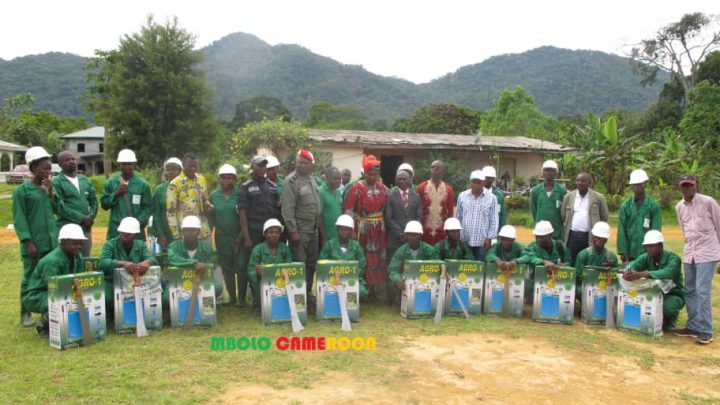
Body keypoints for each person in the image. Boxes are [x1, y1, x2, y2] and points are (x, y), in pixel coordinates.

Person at [12, 146, 58, 327]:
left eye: (50, 168)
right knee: (30, 278)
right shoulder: (22, 191)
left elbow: (57, 209)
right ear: (33, 168)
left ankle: (47, 310)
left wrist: (51, 192)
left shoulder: (47, 188)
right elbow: (19, 219)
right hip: (33, 245)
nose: (48, 171)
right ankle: (25, 313)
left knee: (48, 278)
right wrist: (28, 242)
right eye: (45, 168)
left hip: (51, 244)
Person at [673, 174, 720, 344]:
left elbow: (719, 226)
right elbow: (684, 231)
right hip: (690, 253)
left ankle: (706, 330)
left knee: (702, 291)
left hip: (707, 253)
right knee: (690, 290)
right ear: (680, 187)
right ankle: (693, 326)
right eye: (684, 186)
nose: (688, 188)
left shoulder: (708, 202)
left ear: (696, 186)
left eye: (690, 185)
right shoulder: (679, 207)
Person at [23, 224, 86, 337]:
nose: (79, 246)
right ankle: (43, 324)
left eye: (80, 243)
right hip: (39, 295)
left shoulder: (77, 256)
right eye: (74, 243)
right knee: (59, 301)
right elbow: (54, 288)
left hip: (64, 290)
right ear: (63, 242)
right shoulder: (52, 261)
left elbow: (80, 277)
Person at [343, 154, 389, 301]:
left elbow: (388, 209)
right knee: (364, 258)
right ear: (364, 173)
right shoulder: (356, 188)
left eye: (375, 174)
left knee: (378, 259)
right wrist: (350, 230)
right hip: (362, 230)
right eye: (370, 174)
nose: (373, 177)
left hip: (379, 230)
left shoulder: (383, 188)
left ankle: (375, 291)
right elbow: (348, 211)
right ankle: (362, 288)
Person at [239, 156, 281, 309]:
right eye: (259, 166)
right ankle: (257, 299)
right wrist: (246, 237)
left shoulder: (271, 185)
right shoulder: (246, 186)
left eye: (264, 166)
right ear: (252, 166)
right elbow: (242, 213)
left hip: (272, 232)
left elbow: (277, 209)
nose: (262, 169)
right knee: (255, 267)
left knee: (270, 263)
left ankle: (272, 294)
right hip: (254, 231)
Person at [623, 230, 685, 333]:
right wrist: (628, 271)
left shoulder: (673, 259)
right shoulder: (647, 257)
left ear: (660, 245)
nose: (649, 248)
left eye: (652, 246)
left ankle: (669, 321)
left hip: (672, 294)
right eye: (647, 246)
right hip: (654, 292)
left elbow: (667, 273)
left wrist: (643, 274)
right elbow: (633, 264)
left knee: (667, 307)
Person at [281, 149, 322, 295]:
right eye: (299, 162)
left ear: (311, 165)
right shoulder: (290, 181)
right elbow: (287, 209)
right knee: (300, 263)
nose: (301, 165)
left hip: (314, 229)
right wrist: (293, 231)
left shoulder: (312, 179)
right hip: (300, 230)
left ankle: (308, 291)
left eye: (305, 163)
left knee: (312, 263)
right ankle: (298, 293)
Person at [98, 217, 158, 312]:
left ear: (135, 234)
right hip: (112, 281)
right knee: (107, 298)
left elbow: (152, 259)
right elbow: (103, 262)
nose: (124, 236)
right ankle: (111, 315)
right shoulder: (110, 244)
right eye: (122, 233)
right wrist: (121, 263)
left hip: (135, 281)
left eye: (128, 234)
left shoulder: (140, 245)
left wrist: (146, 263)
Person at [208, 164, 243, 307]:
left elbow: (244, 217)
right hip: (222, 238)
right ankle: (232, 298)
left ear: (234, 179)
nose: (226, 181)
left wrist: (240, 237)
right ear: (219, 179)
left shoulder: (240, 194)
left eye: (229, 178)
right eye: (223, 178)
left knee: (241, 266)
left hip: (239, 236)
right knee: (227, 268)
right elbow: (211, 218)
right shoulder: (213, 196)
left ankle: (241, 298)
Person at [100, 149, 152, 241]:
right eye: (124, 163)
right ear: (119, 164)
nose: (127, 166)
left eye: (129, 163)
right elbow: (104, 204)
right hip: (116, 230)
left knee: (136, 254)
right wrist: (116, 193)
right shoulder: (111, 183)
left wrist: (138, 222)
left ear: (134, 164)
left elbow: (147, 208)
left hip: (136, 232)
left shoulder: (142, 185)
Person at [52, 151, 98, 257]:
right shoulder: (57, 181)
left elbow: (94, 201)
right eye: (67, 160)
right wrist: (81, 218)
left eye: (73, 159)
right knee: (68, 258)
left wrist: (91, 216)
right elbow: (60, 206)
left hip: (85, 227)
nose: (71, 162)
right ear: (59, 164)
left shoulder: (85, 180)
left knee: (85, 257)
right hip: (67, 226)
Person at [560, 172, 609, 265]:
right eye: (578, 180)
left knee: (588, 262)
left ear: (589, 183)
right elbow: (562, 215)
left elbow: (604, 216)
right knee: (571, 261)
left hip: (590, 236)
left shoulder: (598, 197)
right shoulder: (568, 197)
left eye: (583, 181)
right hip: (572, 236)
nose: (579, 183)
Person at [167, 215, 221, 298]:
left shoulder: (207, 247)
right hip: (180, 283)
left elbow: (212, 265)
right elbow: (171, 258)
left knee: (217, 288)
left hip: (201, 282)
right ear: (182, 231)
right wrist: (193, 263)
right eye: (187, 230)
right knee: (166, 298)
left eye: (193, 230)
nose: (190, 233)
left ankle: (199, 298)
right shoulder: (174, 246)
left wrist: (205, 268)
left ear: (199, 232)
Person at [247, 219, 293, 311]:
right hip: (263, 283)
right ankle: (257, 301)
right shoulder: (258, 249)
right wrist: (257, 271)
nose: (274, 235)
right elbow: (251, 270)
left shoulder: (285, 248)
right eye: (270, 232)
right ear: (265, 234)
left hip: (281, 282)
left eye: (276, 232)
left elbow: (290, 266)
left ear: (280, 235)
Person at [387, 221, 440, 301]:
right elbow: (392, 269)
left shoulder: (429, 250)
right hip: (406, 280)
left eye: (415, 235)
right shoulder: (401, 250)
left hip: (425, 280)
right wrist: (397, 279)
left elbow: (437, 266)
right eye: (409, 235)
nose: (412, 237)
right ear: (406, 236)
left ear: (420, 236)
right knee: (392, 283)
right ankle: (400, 298)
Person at [319, 214, 368, 299]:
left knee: (362, 292)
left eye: (346, 229)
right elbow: (321, 264)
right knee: (329, 291)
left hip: (351, 278)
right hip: (332, 279)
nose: (343, 232)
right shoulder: (329, 244)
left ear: (351, 231)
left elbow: (361, 264)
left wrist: (350, 275)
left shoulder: (356, 246)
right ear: (337, 230)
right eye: (340, 229)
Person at [617, 169, 662, 263]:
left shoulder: (653, 206)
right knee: (629, 276)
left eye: (641, 183)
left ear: (645, 184)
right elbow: (621, 231)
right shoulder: (625, 206)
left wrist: (653, 253)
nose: (638, 186)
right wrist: (624, 255)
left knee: (646, 277)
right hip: (630, 254)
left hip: (648, 254)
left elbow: (655, 231)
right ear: (631, 186)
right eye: (635, 184)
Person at [166, 152, 213, 242]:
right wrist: (176, 235)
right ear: (183, 166)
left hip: (204, 230)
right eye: (190, 166)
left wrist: (208, 205)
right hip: (186, 233)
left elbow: (205, 199)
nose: (193, 169)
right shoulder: (175, 184)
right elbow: (171, 212)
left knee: (207, 255)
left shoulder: (201, 179)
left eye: (195, 166)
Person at [455, 170, 499, 261]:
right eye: (473, 182)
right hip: (465, 239)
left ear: (483, 183)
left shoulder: (492, 198)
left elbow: (494, 219)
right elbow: (458, 217)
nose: (475, 185)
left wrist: (489, 237)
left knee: (481, 267)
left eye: (478, 182)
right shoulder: (462, 196)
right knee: (465, 266)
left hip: (482, 241)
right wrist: (457, 235)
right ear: (470, 182)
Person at [385, 169, 423, 262]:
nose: (401, 181)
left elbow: (419, 217)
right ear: (396, 180)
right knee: (395, 265)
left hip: (413, 240)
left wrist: (411, 233)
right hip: (395, 239)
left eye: (404, 179)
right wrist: (401, 234)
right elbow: (389, 218)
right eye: (399, 179)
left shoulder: (416, 196)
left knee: (411, 266)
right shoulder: (390, 196)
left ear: (409, 180)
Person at [574, 221, 618, 300]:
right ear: (593, 237)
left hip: (604, 286)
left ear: (606, 239)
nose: (599, 240)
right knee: (579, 290)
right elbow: (577, 277)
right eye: (597, 237)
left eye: (602, 238)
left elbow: (617, 278)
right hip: (587, 285)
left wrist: (611, 269)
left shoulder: (611, 257)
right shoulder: (583, 255)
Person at [416, 160, 455, 245]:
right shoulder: (421, 187)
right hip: (423, 232)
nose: (434, 169)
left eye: (437, 168)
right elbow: (417, 211)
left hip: (441, 233)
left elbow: (450, 213)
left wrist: (448, 231)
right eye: (432, 167)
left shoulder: (449, 190)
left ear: (443, 171)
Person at [151, 158, 183, 250]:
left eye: (174, 169)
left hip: (184, 233)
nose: (170, 172)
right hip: (165, 234)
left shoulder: (186, 189)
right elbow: (156, 214)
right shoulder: (159, 190)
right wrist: (161, 235)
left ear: (180, 172)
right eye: (168, 170)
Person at [530, 160, 566, 240]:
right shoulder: (536, 190)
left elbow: (564, 211)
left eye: (552, 170)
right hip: (540, 231)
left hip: (557, 231)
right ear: (542, 172)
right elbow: (534, 210)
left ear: (556, 173)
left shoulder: (562, 191)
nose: (549, 172)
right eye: (546, 170)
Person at [318, 167, 344, 242]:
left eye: (340, 179)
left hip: (337, 235)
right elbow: (319, 217)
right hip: (327, 237)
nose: (338, 181)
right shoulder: (321, 192)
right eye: (335, 179)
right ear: (326, 178)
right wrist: (323, 236)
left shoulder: (338, 192)